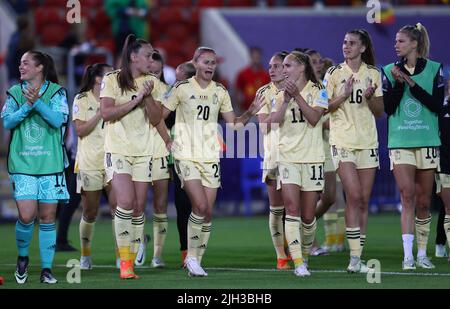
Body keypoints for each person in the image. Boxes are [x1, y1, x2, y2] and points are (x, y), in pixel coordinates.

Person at [156, 47, 264, 277]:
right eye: (205, 62)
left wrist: (251, 112)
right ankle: (192, 259)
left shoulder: (220, 91)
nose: (210, 66)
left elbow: (234, 125)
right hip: (186, 155)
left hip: (210, 156)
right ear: (195, 63)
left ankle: (195, 260)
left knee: (206, 213)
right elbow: (158, 117)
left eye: (213, 63)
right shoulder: (181, 88)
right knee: (201, 206)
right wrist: (167, 140)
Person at [100, 34, 165, 279]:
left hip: (143, 150)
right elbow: (107, 114)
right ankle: (125, 262)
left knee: (138, 207)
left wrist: (147, 97)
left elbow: (157, 119)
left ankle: (132, 256)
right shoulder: (112, 80)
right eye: (148, 55)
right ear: (133, 57)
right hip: (117, 149)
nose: (152, 59)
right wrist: (137, 99)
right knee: (125, 202)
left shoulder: (152, 83)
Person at [1, 50, 70, 284]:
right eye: (20, 63)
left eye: (25, 63)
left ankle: (47, 269)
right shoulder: (13, 93)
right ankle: (23, 258)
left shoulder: (57, 93)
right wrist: (26, 107)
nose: (21, 66)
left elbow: (58, 120)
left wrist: (37, 103)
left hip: (50, 163)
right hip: (23, 163)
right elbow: (8, 122)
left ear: (40, 68)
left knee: (48, 217)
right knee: (26, 215)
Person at [382, 23, 444, 270]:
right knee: (407, 196)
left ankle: (422, 254)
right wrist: (398, 83)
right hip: (400, 141)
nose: (396, 45)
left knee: (423, 202)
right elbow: (389, 108)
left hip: (427, 139)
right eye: (396, 41)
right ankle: (408, 256)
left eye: (400, 41)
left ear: (414, 44)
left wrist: (409, 82)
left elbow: (437, 106)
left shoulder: (435, 69)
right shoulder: (388, 71)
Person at [262, 50, 328, 277]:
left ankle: (305, 256)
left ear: (301, 67)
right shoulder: (280, 93)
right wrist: (285, 101)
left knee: (308, 217)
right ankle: (298, 262)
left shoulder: (318, 90)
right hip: (287, 157)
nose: (283, 70)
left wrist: (297, 97)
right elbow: (272, 122)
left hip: (311, 157)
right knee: (291, 210)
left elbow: (314, 118)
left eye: (288, 66)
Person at [323, 29, 384, 273]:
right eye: (344, 42)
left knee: (363, 201)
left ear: (362, 48)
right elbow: (322, 107)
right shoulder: (334, 73)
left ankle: (357, 256)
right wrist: (342, 96)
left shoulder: (373, 74)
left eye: (351, 43)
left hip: (368, 142)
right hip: (343, 142)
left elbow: (379, 112)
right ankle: (354, 259)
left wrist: (370, 98)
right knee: (355, 196)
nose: (346, 46)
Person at [72, 63, 117, 270]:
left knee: (120, 209)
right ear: (99, 79)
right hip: (89, 161)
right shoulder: (81, 99)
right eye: (109, 73)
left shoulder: (115, 97)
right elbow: (80, 130)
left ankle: (121, 256)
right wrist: (101, 112)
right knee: (91, 212)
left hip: (113, 160)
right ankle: (85, 255)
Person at [134, 50, 171, 268]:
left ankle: (157, 254)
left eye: (158, 72)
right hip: (138, 150)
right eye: (151, 71)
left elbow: (158, 118)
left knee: (160, 204)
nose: (154, 75)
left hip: (158, 150)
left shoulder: (166, 91)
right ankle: (139, 243)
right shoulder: (132, 87)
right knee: (137, 204)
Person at [255, 51, 291, 270]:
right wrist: (279, 110)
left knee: (297, 209)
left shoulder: (300, 90)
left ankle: (299, 251)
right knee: (277, 208)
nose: (272, 69)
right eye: (271, 65)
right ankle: (281, 256)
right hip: (273, 157)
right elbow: (263, 125)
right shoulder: (263, 92)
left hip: (298, 155)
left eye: (278, 65)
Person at [171, 61, 196, 266]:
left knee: (200, 207)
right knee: (183, 206)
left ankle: (195, 252)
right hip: (178, 157)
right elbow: (162, 119)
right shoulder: (173, 96)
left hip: (202, 156)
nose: (176, 84)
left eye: (179, 80)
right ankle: (186, 252)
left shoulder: (205, 95)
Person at [235, 47, 270, 112]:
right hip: (246, 110)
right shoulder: (242, 74)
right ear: (250, 57)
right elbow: (238, 92)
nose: (256, 59)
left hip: (262, 111)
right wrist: (240, 107)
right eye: (254, 57)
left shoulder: (266, 75)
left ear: (260, 57)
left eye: (257, 57)